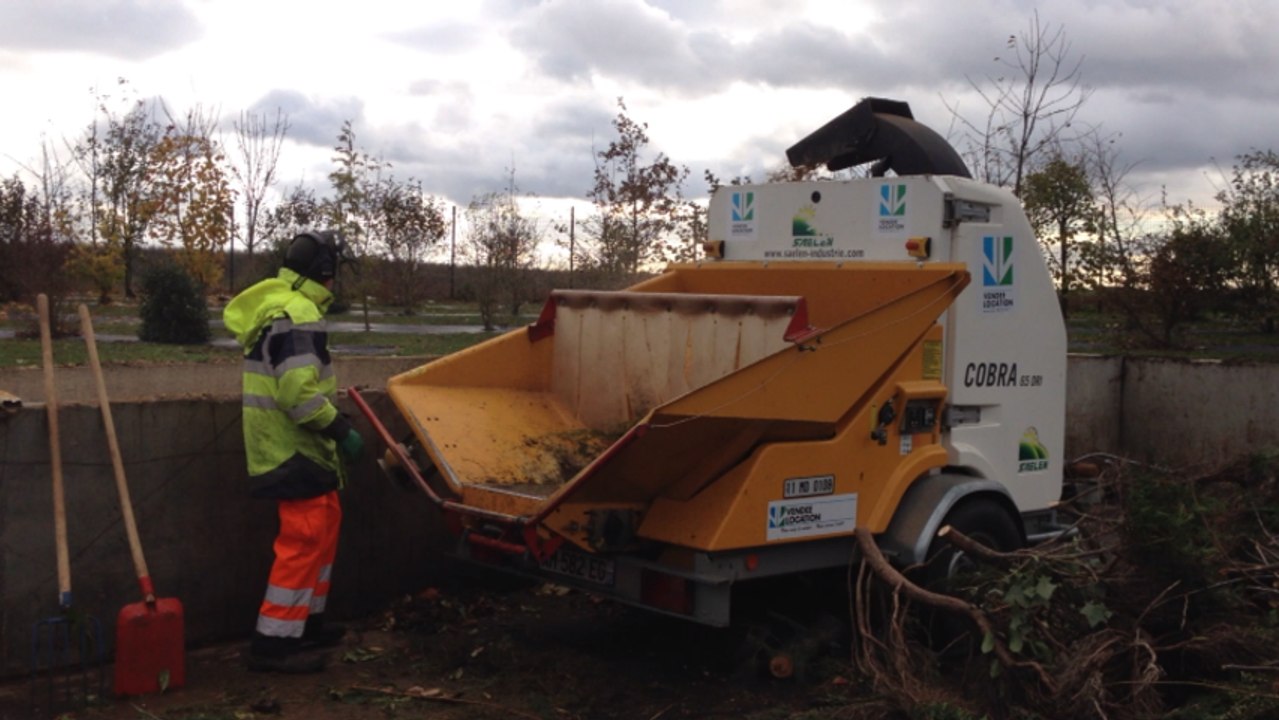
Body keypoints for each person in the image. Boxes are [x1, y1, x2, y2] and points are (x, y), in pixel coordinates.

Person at [223, 230, 365, 673]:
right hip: (293, 449)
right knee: (304, 540)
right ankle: (273, 645)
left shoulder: (285, 306)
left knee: (324, 527)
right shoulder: (298, 313)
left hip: (297, 447)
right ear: (325, 272)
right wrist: (341, 430)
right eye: (334, 272)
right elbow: (297, 394)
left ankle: (306, 623)